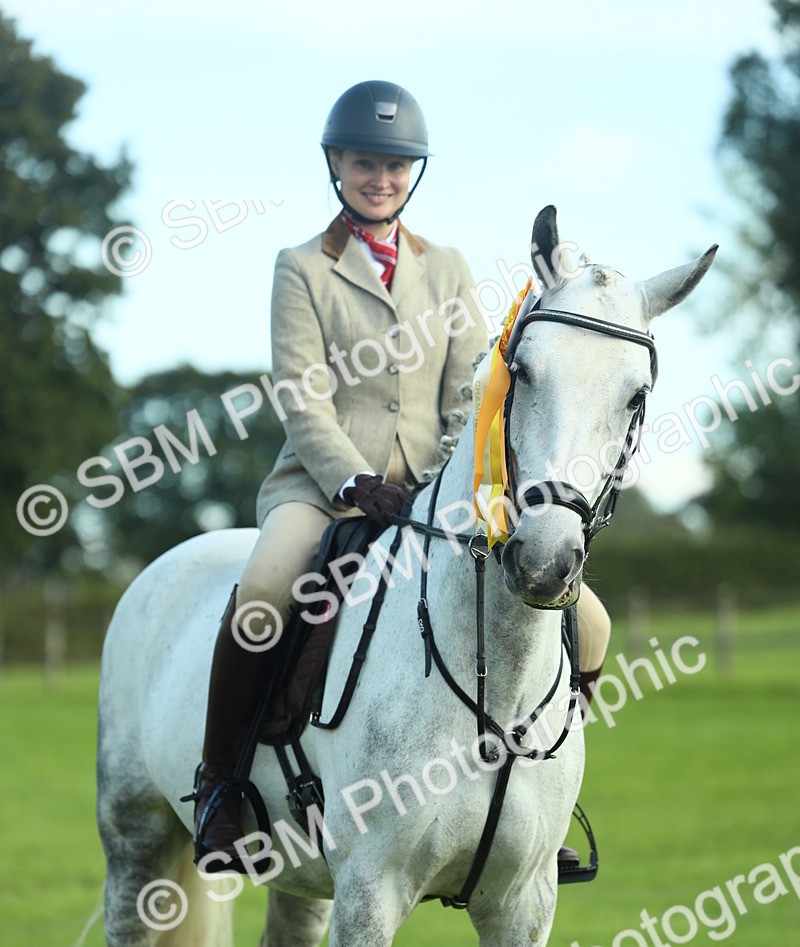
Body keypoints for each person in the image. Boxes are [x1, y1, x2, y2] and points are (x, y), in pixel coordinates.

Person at [183, 80, 610, 873]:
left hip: (436, 495)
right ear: (336, 165)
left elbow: (471, 392)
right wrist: (350, 481)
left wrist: (449, 478)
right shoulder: (301, 267)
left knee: (592, 622)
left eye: (396, 165)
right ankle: (221, 787)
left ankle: (544, 804)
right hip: (319, 491)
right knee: (267, 592)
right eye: (364, 163)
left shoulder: (446, 269)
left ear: (415, 173)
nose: (380, 178)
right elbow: (300, 396)